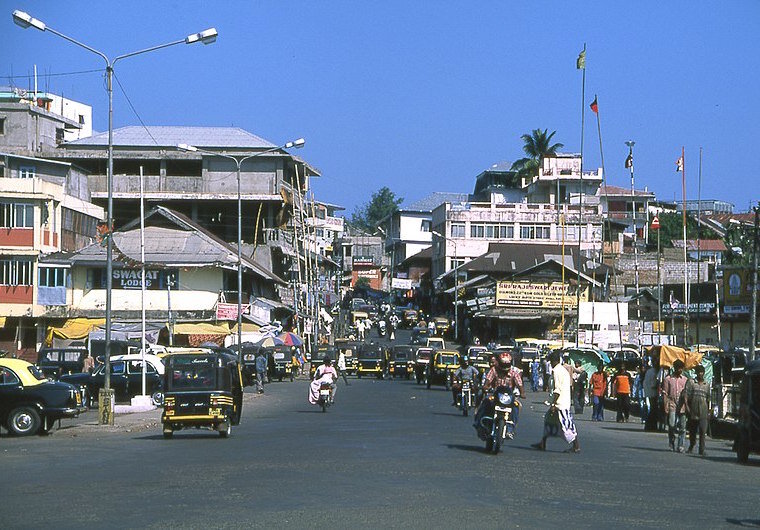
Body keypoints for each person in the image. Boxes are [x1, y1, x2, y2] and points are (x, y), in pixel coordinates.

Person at [532, 350, 580, 453]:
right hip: (562, 402)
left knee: (566, 425)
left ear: (553, 361)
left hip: (560, 404)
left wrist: (553, 404)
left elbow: (557, 390)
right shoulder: (563, 370)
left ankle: (576, 446)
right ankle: (542, 443)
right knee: (548, 421)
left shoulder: (557, 371)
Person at [476, 352, 523, 438]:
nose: (505, 367)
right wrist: (486, 386)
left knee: (517, 406)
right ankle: (479, 421)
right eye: (503, 364)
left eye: (507, 364)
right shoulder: (494, 370)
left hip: (509, 397)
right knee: (486, 401)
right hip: (495, 395)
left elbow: (519, 383)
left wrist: (522, 393)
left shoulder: (514, 372)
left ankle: (510, 428)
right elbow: (488, 380)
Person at [661, 359, 688, 452]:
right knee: (672, 425)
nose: (680, 370)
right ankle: (671, 442)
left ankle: (680, 445)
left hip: (682, 406)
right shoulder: (668, 379)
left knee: (682, 427)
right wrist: (665, 405)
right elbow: (665, 393)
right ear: (675, 368)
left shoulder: (685, 380)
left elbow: (687, 393)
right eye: (678, 368)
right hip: (672, 404)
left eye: (681, 368)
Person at [684, 364, 710, 456]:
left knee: (703, 431)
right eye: (699, 372)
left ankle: (702, 449)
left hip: (703, 411)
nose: (700, 374)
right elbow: (686, 395)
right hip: (693, 410)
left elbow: (708, 399)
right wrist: (687, 406)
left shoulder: (706, 385)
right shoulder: (691, 382)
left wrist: (709, 411)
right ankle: (691, 446)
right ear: (696, 373)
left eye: (702, 372)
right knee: (693, 431)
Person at [643, 361, 660, 431]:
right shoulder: (654, 372)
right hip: (653, 392)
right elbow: (653, 384)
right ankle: (650, 426)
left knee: (653, 409)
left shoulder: (649, 371)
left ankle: (651, 426)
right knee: (653, 409)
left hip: (649, 392)